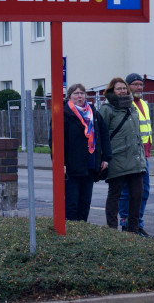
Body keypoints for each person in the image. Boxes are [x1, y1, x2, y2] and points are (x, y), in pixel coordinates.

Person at [51, 83, 111, 222]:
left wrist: (106, 157)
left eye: (82, 93)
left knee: (85, 202)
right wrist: (60, 162)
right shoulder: (63, 114)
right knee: (72, 202)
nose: (80, 96)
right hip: (72, 166)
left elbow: (104, 134)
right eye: (76, 93)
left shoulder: (93, 113)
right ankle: (72, 229)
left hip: (90, 165)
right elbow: (55, 141)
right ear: (69, 96)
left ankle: (82, 228)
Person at [99, 77, 147, 234]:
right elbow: (101, 134)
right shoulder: (107, 109)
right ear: (112, 91)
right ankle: (112, 230)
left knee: (137, 194)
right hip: (117, 159)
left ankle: (132, 229)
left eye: (123, 88)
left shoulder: (131, 107)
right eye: (118, 89)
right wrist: (104, 157)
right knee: (115, 194)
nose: (122, 91)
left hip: (135, 160)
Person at [118, 73, 154, 238]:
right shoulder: (125, 104)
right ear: (128, 86)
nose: (138, 88)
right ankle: (126, 224)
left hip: (143, 155)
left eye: (141, 85)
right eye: (135, 84)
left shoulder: (144, 105)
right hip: (130, 155)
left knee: (143, 191)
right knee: (128, 191)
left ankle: (138, 223)